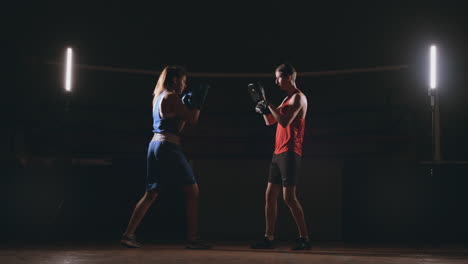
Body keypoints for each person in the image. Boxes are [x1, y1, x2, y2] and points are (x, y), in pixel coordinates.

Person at [121, 65, 211, 249]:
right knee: (192, 191)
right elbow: (193, 119)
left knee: (151, 193)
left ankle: (128, 234)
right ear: (175, 80)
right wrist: (197, 104)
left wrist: (185, 108)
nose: (185, 85)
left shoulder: (159, 97)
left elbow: (178, 127)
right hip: (168, 146)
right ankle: (193, 239)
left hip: (156, 144)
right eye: (184, 81)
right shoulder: (171, 96)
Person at [249, 63, 311, 250]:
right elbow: (271, 121)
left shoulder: (299, 98)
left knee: (289, 198)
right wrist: (263, 107)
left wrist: (270, 104)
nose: (276, 81)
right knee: (270, 195)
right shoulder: (286, 99)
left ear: (289, 77)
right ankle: (269, 238)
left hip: (291, 151)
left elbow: (284, 121)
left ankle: (304, 238)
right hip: (278, 152)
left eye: (278, 77)